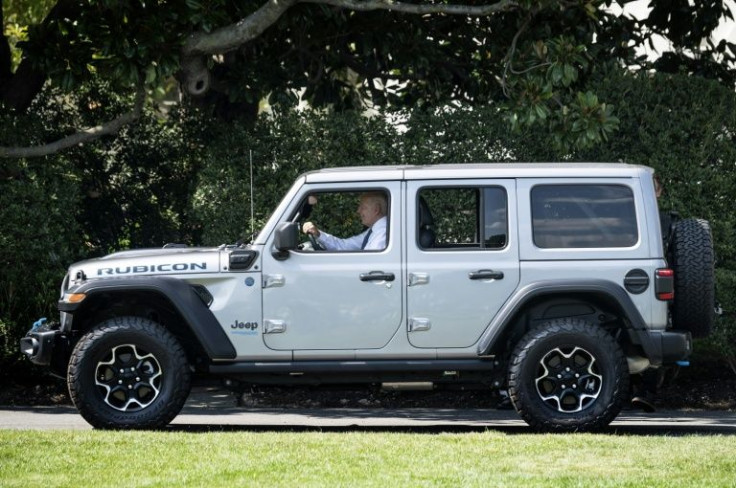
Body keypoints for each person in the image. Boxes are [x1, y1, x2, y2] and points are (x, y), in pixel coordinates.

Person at [302, 192, 388, 251]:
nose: (358, 211)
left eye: (363, 207)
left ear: (376, 210)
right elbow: (344, 246)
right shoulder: (374, 230)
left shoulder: (383, 232)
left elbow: (373, 262)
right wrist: (318, 234)